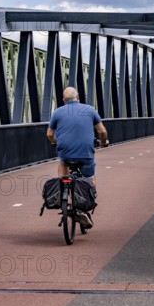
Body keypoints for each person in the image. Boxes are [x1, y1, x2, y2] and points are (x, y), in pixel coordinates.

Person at [46, 87, 109, 228]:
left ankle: (63, 194)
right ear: (78, 97)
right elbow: (102, 131)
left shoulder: (57, 112)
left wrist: (54, 142)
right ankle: (86, 205)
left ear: (63, 100)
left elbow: (50, 134)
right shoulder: (90, 110)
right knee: (89, 179)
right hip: (86, 155)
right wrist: (104, 142)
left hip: (65, 154)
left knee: (62, 166)